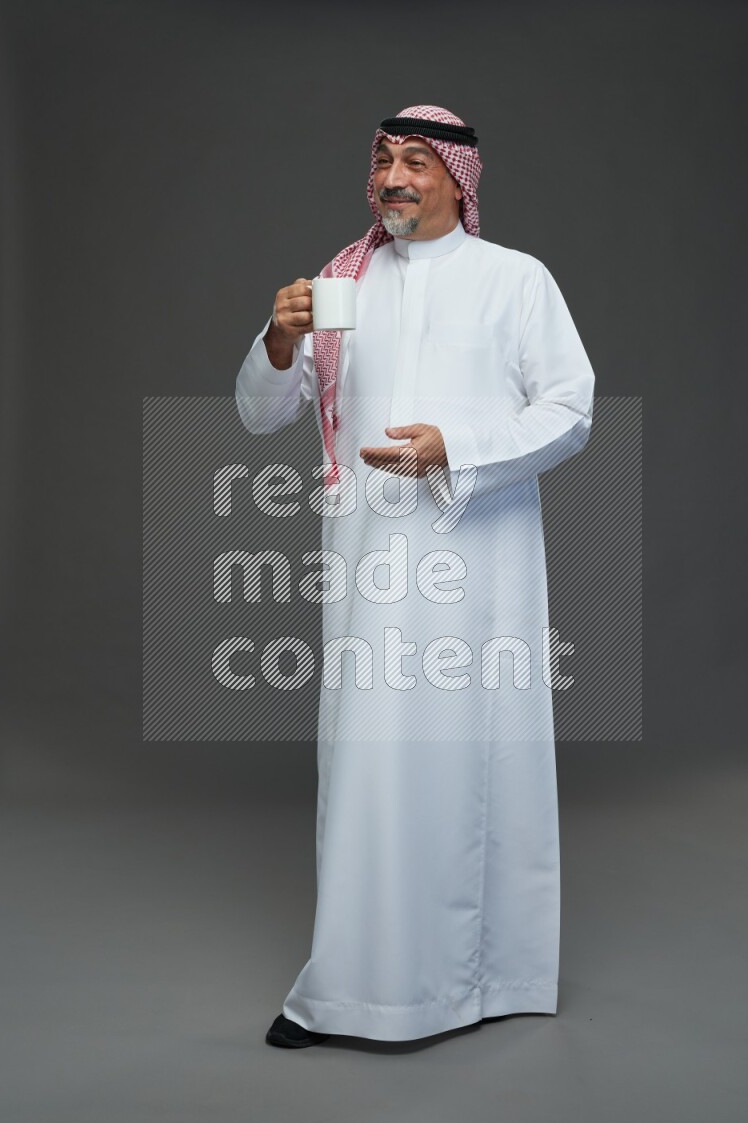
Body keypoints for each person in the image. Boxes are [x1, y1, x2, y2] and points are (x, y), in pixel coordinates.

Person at [235, 104, 595, 1049]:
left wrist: (454, 448)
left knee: (475, 760)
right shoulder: (339, 284)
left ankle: (487, 977)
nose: (395, 178)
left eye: (417, 163)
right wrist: (277, 339)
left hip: (481, 562)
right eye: (385, 161)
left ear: (459, 179)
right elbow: (263, 414)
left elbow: (570, 411)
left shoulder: (515, 281)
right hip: (365, 564)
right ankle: (354, 989)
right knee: (367, 768)